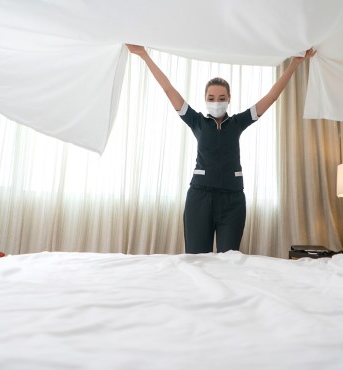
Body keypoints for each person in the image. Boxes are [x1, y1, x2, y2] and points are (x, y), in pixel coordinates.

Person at [126, 44, 315, 254]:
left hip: (232, 200)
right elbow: (168, 89)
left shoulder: (238, 122)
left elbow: (271, 97)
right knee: (197, 261)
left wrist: (294, 64)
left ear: (229, 99)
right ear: (205, 100)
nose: (217, 102)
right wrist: (144, 55)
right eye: (211, 98)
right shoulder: (196, 121)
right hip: (199, 199)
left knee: (230, 260)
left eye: (222, 98)